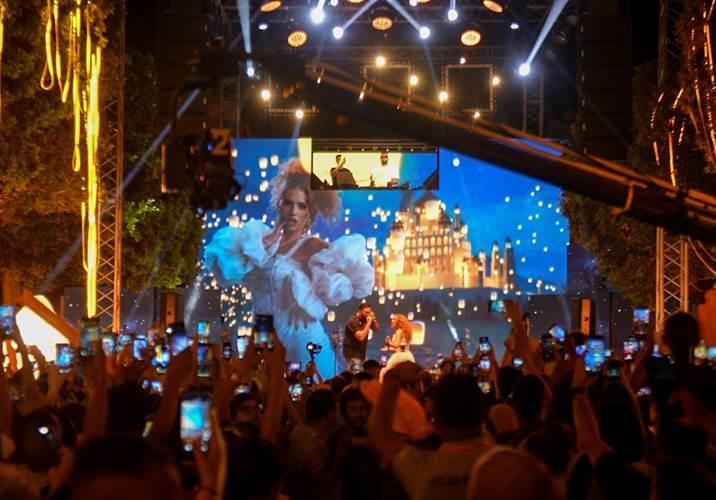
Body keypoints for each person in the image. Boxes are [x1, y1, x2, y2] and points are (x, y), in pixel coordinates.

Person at [205, 159, 375, 373]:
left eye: (301, 206)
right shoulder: (258, 240)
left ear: (309, 213)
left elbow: (355, 284)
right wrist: (264, 246)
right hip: (264, 341)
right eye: (288, 203)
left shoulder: (315, 247)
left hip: (302, 342)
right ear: (280, 205)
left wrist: (310, 302)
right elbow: (223, 269)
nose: (293, 211)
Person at [369, 364, 492, 500]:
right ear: (483, 413)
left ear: (436, 419)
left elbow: (380, 436)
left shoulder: (419, 466)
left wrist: (391, 381)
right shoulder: (505, 460)